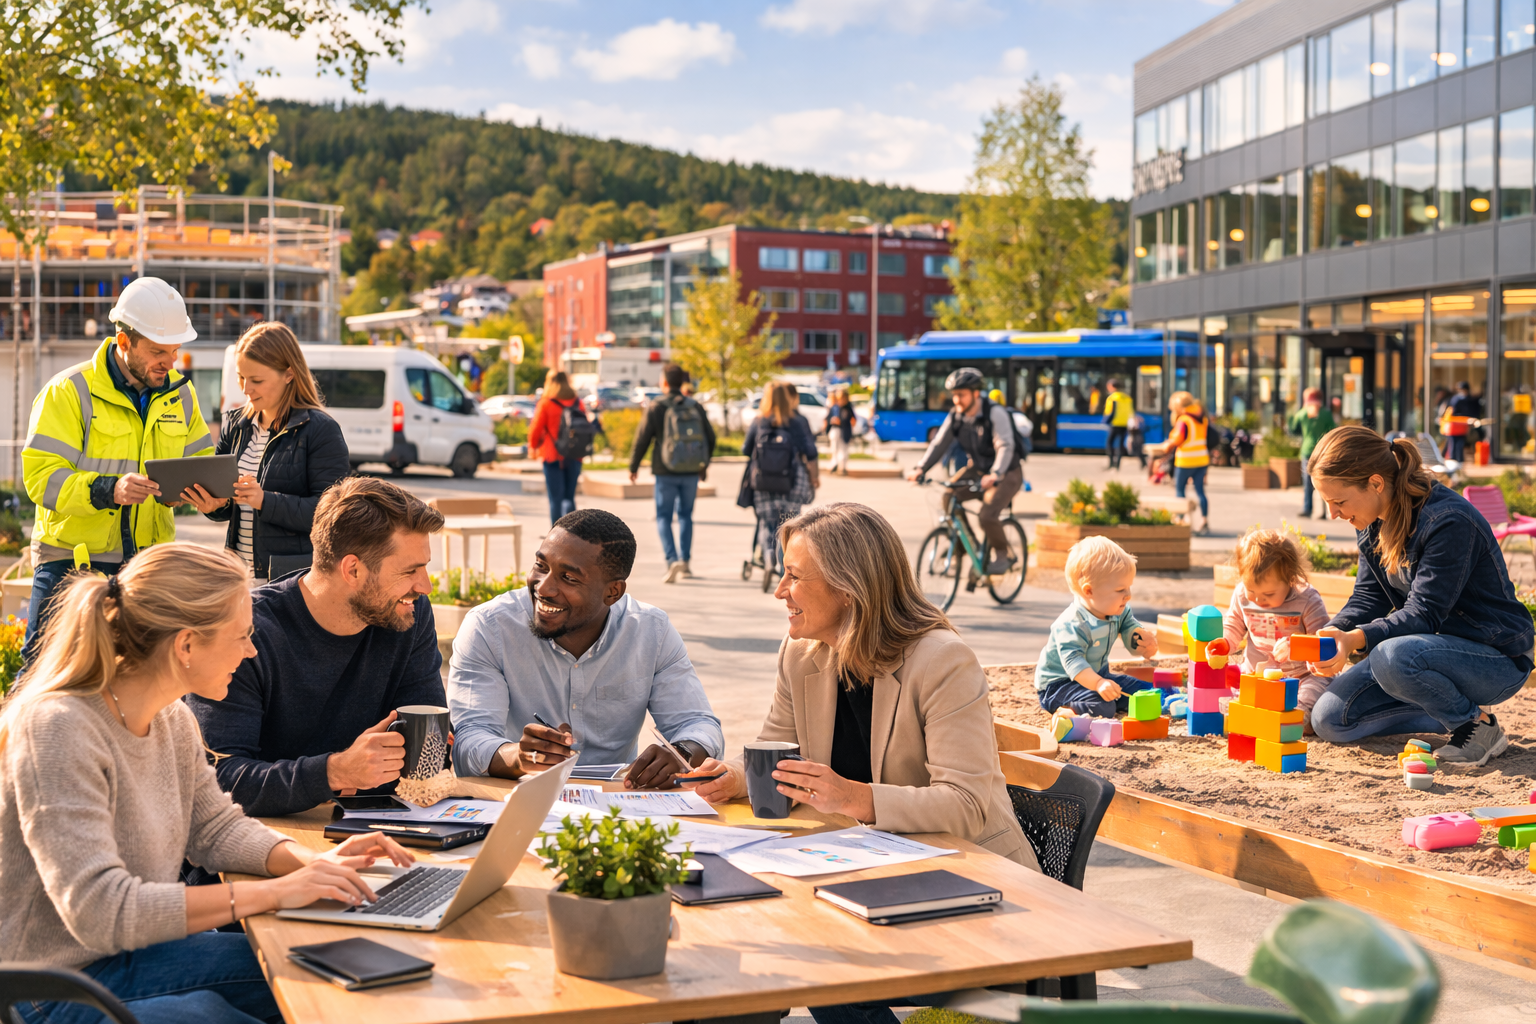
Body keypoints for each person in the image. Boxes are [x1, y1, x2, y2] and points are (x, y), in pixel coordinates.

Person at [0, 542, 414, 1024]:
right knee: (216, 1014)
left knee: (330, 974)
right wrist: (278, 892)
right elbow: (102, 911)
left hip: (139, 955)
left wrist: (316, 864)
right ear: (186, 645)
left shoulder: (171, 719)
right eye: (241, 636)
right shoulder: (58, 727)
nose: (252, 650)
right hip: (49, 988)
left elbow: (214, 830)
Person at [688, 502, 1035, 865]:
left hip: (976, 869)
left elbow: (964, 805)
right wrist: (735, 776)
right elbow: (777, 753)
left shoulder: (944, 661)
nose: (780, 591)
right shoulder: (800, 652)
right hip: (866, 860)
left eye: (794, 576)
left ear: (847, 588)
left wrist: (851, 796)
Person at [186, 477, 447, 817]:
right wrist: (335, 772)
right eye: (411, 571)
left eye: (425, 567)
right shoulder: (245, 634)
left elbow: (427, 747)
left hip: (374, 829)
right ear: (352, 569)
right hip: (260, 842)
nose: (424, 586)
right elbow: (217, 781)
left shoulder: (406, 613)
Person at [1302, 426, 1533, 765]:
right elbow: (1369, 598)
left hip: (1496, 659)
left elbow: (1424, 613)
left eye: (1338, 501)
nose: (1334, 513)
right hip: (1425, 654)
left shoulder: (1448, 521)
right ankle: (1442, 705)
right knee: (1331, 719)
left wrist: (1356, 640)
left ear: (1376, 483)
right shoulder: (1371, 524)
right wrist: (1330, 635)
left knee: (1388, 657)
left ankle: (1477, 726)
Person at [447, 508, 724, 789]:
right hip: (521, 797)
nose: (543, 588)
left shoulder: (651, 631)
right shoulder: (489, 627)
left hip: (620, 803)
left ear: (612, 592)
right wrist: (517, 757)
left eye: (568, 578)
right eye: (541, 566)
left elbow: (699, 725)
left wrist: (680, 754)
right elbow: (469, 738)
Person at [21, 276, 213, 660]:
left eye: (174, 351)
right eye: (160, 351)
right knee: (43, 673)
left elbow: (202, 465)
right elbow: (41, 478)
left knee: (137, 677)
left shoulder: (181, 395)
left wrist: (211, 499)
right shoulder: (68, 392)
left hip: (146, 567)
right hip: (71, 566)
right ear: (124, 342)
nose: (170, 363)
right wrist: (108, 489)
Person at [184, 322, 349, 579]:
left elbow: (333, 515)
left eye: (256, 380)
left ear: (289, 374)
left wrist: (265, 501)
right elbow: (227, 508)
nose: (245, 388)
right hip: (239, 577)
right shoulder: (236, 425)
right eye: (240, 377)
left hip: (294, 584)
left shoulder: (321, 430)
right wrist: (214, 505)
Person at [906, 367, 1024, 574]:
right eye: (954, 395)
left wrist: (996, 473)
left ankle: (1004, 555)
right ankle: (963, 545)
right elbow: (939, 444)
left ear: (975, 393)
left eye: (961, 395)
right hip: (977, 469)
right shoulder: (956, 416)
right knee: (949, 496)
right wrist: (920, 467)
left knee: (987, 515)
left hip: (1007, 473)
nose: (956, 400)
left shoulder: (995, 413)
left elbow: (1005, 445)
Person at [1035, 536, 1160, 717]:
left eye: (1128, 587)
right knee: (1103, 706)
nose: (1128, 595)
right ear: (1089, 591)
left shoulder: (1117, 609)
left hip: (1098, 675)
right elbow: (1074, 664)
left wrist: (1139, 639)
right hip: (1060, 685)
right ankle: (1066, 712)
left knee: (1143, 691)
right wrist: (1099, 683)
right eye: (1120, 590)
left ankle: (1101, 694)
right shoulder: (1072, 624)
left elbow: (1128, 627)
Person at [1224, 529, 1330, 733]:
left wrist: (1297, 647)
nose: (1258, 599)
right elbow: (1233, 624)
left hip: (1302, 676)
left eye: (1269, 594)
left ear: (1290, 578)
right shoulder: (1241, 595)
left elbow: (1323, 643)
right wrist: (1225, 643)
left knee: (1312, 691)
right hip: (1258, 675)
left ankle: (1297, 719)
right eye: (1251, 590)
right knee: (1238, 691)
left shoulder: (1307, 599)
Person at [628, 363, 716, 583]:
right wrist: (703, 464)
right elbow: (710, 437)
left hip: (664, 470)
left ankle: (672, 559)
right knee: (686, 515)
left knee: (664, 516)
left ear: (664, 382)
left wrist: (634, 466)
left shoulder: (657, 406)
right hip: (690, 471)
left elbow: (642, 438)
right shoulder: (694, 405)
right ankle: (685, 562)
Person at [744, 381, 819, 585]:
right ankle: (781, 567)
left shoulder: (759, 421)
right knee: (788, 527)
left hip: (763, 482)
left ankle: (768, 556)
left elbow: (745, 449)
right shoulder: (797, 421)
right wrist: (814, 476)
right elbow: (810, 451)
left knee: (767, 524)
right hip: (792, 482)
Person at [529, 370, 590, 526]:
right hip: (575, 454)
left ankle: (557, 539)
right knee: (569, 498)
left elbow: (535, 429)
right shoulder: (577, 402)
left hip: (552, 455)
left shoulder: (546, 403)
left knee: (556, 499)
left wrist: (533, 447)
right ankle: (574, 535)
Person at [1151, 391, 1211, 536]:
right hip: (1202, 459)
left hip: (1185, 460)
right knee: (1200, 491)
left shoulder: (1184, 420)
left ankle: (1180, 519)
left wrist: (1167, 445)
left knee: (1180, 489)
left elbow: (1178, 439)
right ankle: (1204, 521)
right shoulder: (1201, 417)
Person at [1288, 387, 1336, 519]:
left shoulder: (1303, 413)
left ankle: (1307, 508)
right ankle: (1324, 511)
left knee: (1307, 482)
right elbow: (1333, 430)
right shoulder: (1326, 413)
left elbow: (1292, 427)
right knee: (1323, 480)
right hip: (1322, 450)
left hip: (1307, 449)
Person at [1444, 380, 1482, 461]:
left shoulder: (1471, 400)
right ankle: (1453, 464)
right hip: (1453, 427)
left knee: (1459, 446)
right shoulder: (1455, 399)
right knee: (1453, 447)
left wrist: (1471, 420)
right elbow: (1451, 414)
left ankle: (1459, 464)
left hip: (1462, 428)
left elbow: (1473, 412)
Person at [1102, 378, 1134, 470]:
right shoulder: (1127, 397)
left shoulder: (1113, 397)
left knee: (1109, 443)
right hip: (1124, 424)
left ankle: (1111, 463)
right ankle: (1118, 465)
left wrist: (1105, 421)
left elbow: (1112, 412)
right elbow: (1131, 411)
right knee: (1120, 444)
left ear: (1111, 386)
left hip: (1114, 424)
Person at [825, 388, 856, 475]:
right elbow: (828, 418)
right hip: (835, 430)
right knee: (834, 449)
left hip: (844, 431)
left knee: (843, 450)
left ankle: (842, 467)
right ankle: (835, 464)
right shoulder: (835, 407)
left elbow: (852, 419)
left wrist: (843, 423)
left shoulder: (847, 408)